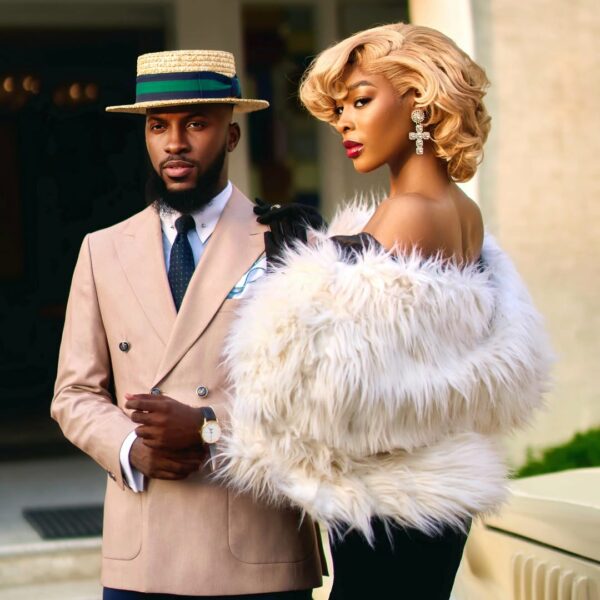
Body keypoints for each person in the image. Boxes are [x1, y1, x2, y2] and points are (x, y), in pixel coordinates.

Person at [218, 24, 552, 599]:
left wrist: (291, 293)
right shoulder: (459, 209)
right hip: (424, 490)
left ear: (418, 98)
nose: (344, 123)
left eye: (361, 101)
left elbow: (342, 380)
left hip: (388, 496)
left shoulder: (409, 213)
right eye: (339, 109)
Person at [51, 49, 324, 599]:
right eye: (159, 126)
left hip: (257, 547)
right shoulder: (102, 250)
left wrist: (206, 427)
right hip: (143, 548)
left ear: (232, 135)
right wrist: (131, 448)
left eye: (196, 124)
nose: (174, 142)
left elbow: (317, 399)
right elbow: (74, 393)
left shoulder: (290, 242)